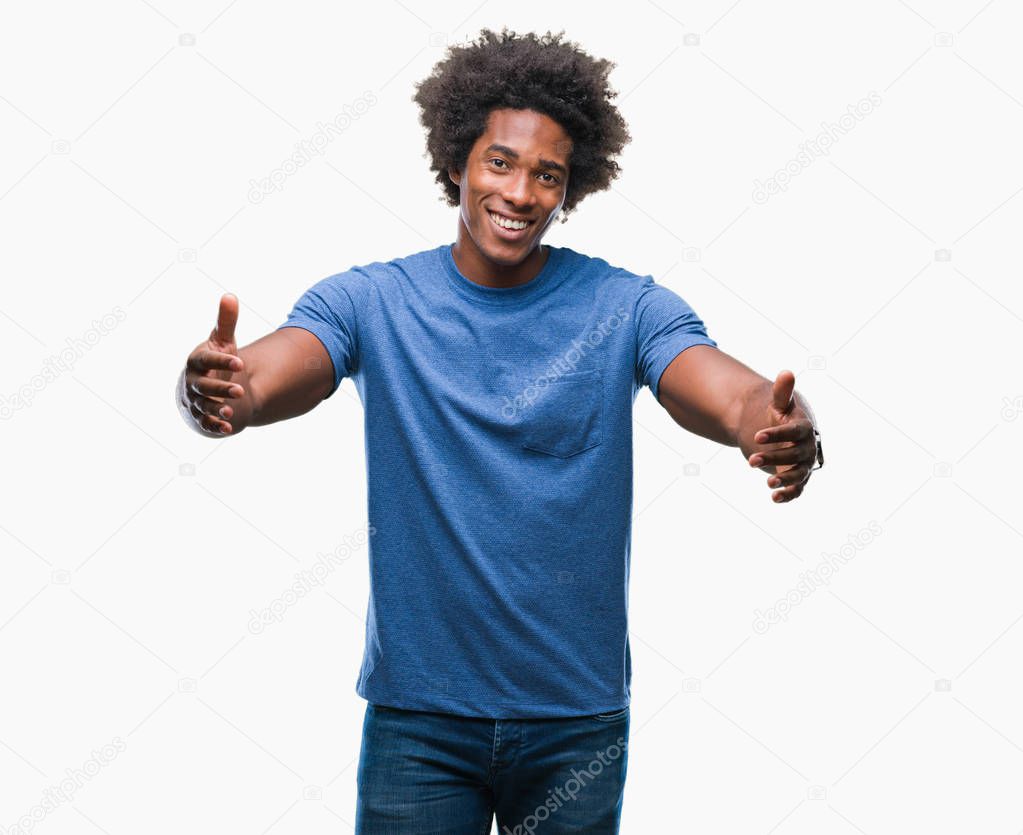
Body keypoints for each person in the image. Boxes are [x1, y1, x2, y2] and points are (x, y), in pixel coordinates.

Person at [176, 27, 823, 835]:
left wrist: (776, 418)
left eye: (545, 174)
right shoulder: (372, 301)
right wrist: (218, 391)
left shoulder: (624, 307)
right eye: (500, 162)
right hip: (420, 721)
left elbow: (724, 389)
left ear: (569, 189)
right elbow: (275, 371)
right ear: (456, 162)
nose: (519, 192)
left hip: (573, 721)